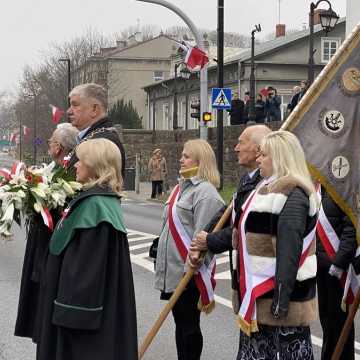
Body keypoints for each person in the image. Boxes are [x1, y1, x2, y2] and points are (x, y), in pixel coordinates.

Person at [194, 130, 319, 359]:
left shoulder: (294, 194)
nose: (259, 159)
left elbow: (289, 251)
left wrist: (281, 299)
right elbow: (241, 234)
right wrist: (208, 242)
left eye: (264, 155)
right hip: (258, 299)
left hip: (280, 302)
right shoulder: (263, 190)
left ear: (280, 157)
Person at [36, 138, 137, 360]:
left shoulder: (96, 206)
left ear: (95, 165)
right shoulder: (92, 200)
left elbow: (85, 273)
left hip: (82, 329)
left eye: (80, 160)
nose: (75, 165)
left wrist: (67, 315)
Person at [189, 125, 271, 358]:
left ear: (257, 150)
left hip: (262, 280)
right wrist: (201, 240)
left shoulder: (266, 186)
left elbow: (244, 230)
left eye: (241, 142)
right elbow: (227, 215)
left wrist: (210, 241)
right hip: (246, 278)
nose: (235, 148)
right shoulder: (248, 181)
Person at [154, 139, 224, 360]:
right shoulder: (179, 188)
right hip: (173, 270)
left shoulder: (206, 193)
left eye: (186, 156)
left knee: (189, 326)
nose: (181, 159)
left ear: (200, 161)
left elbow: (203, 236)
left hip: (189, 272)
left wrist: (190, 269)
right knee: (180, 324)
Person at [15, 123, 79, 343]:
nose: (49, 144)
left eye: (52, 141)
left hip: (50, 243)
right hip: (41, 242)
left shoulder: (69, 171)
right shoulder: (52, 168)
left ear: (59, 147)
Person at [316, 187, 357, 360]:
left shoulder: (344, 189)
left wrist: (339, 262)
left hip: (339, 270)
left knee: (340, 323)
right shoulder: (320, 190)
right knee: (326, 320)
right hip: (321, 266)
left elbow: (352, 228)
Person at [65, 83, 126, 177]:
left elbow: (100, 184)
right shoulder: (93, 137)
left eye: (75, 105)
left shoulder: (103, 142)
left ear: (94, 109)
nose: (69, 111)